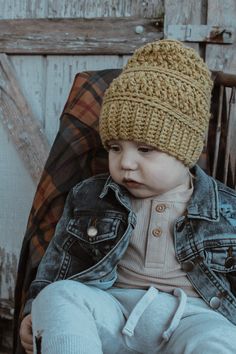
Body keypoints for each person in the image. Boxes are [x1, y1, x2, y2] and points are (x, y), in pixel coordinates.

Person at [20, 40, 236, 354]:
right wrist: (34, 308)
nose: (126, 163)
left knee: (223, 339)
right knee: (58, 294)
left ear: (186, 151)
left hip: (192, 317)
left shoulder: (227, 209)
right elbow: (60, 262)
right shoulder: (92, 195)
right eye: (115, 148)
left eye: (145, 150)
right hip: (112, 310)